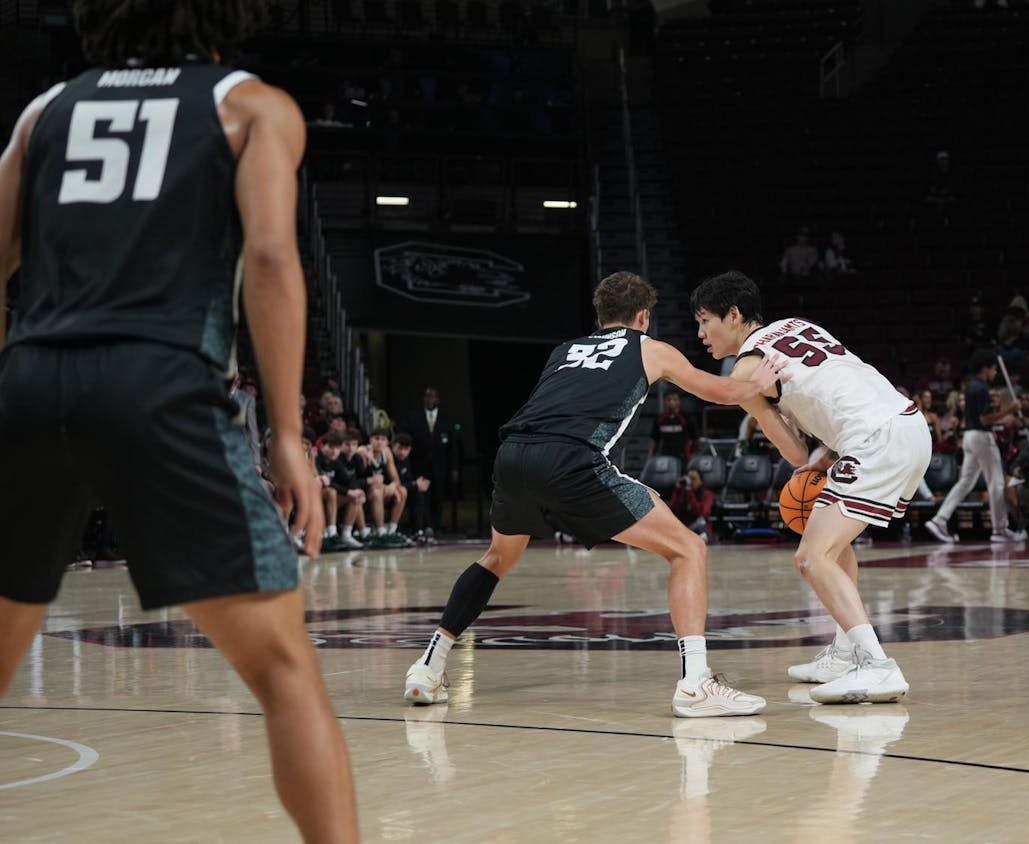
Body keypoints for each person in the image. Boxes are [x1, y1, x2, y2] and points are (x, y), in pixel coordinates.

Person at [0, 5, 357, 839]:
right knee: (281, 666)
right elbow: (270, 255)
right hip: (159, 385)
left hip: (29, 380)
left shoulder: (43, 111)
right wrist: (290, 435)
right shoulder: (250, 105)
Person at [402, 272, 787, 717]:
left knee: (496, 558)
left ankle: (427, 669)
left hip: (513, 455)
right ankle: (696, 683)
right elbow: (719, 391)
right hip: (571, 461)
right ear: (643, 316)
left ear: (600, 317)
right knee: (689, 550)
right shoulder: (650, 348)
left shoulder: (564, 350)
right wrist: (762, 380)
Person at [691, 270, 925, 704]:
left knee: (811, 558)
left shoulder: (747, 368)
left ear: (734, 314)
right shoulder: (797, 326)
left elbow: (796, 456)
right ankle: (844, 651)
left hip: (874, 440)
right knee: (833, 548)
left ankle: (878, 667)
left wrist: (764, 412)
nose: (701, 332)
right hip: (907, 424)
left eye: (705, 320)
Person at [924, 354, 1025, 545]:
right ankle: (1000, 529)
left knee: (966, 482)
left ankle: (939, 520)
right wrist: (1009, 410)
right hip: (981, 436)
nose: (995, 372)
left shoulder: (970, 387)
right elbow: (985, 419)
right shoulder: (981, 388)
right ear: (984, 368)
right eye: (993, 368)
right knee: (996, 483)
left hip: (969, 437)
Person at [402, 386, 458, 535]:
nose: (430, 399)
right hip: (419, 464)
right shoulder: (413, 417)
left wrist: (454, 468)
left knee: (438, 495)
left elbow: (453, 446)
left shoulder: (447, 419)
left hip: (440, 465)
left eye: (433, 396)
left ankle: (436, 525)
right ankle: (423, 525)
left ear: (437, 399)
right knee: (421, 494)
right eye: (427, 396)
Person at [648, 390, 697, 461]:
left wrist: (691, 454)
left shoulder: (686, 418)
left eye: (675, 399)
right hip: (665, 455)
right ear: (665, 401)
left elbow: (695, 438)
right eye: (669, 399)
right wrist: (650, 456)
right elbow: (654, 439)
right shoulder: (660, 419)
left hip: (683, 456)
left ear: (679, 401)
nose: (672, 402)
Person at [669, 468, 714, 539]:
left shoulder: (707, 494)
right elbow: (671, 511)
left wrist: (690, 494)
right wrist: (677, 492)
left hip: (699, 529)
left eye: (693, 479)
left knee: (700, 525)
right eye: (689, 479)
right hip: (684, 528)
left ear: (701, 481)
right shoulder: (682, 493)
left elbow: (702, 513)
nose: (690, 482)